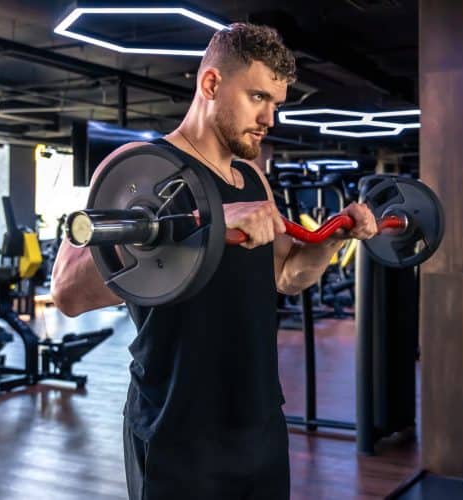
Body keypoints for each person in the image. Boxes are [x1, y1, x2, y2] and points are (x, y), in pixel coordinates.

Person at [50, 22, 377, 500]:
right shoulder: (138, 166)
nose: (270, 119)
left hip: (259, 421)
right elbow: (66, 292)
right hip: (174, 425)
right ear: (211, 84)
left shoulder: (252, 180)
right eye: (258, 98)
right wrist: (210, 223)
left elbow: (286, 275)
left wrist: (332, 239)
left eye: (276, 105)